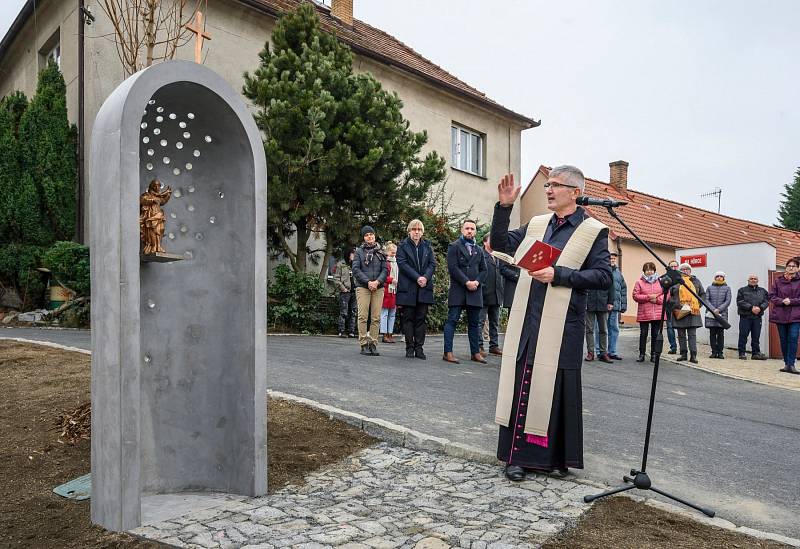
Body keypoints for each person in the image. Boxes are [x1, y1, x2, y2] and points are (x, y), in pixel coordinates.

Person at [491, 167, 611, 482]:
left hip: (564, 324)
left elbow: (602, 277)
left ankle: (554, 459)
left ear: (575, 192)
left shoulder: (592, 230)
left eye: (555, 185)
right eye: (547, 183)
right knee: (524, 383)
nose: (548, 189)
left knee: (555, 390)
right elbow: (502, 246)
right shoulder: (538, 224)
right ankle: (516, 459)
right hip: (530, 318)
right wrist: (504, 208)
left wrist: (559, 274)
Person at [443, 219, 487, 364]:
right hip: (458, 290)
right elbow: (453, 268)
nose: (469, 231)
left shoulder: (479, 250)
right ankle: (447, 352)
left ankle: (475, 353)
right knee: (452, 320)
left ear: (475, 231)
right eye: (467, 228)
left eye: (472, 229)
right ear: (462, 230)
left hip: (475, 291)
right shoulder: (453, 246)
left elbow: (484, 270)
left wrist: (477, 282)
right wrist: (466, 282)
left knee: (474, 324)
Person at [396, 219, 436, 360]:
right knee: (408, 319)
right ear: (409, 231)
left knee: (420, 319)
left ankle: (419, 348)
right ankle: (409, 347)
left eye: (419, 229)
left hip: (424, 288)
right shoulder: (402, 246)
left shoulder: (427, 246)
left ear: (422, 231)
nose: (417, 232)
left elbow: (432, 264)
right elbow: (402, 264)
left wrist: (425, 277)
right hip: (408, 288)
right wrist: (417, 277)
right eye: (414, 229)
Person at [352, 225, 387, 356]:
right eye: (366, 235)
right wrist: (368, 282)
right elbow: (356, 269)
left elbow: (385, 269)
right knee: (362, 316)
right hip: (363, 287)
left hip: (378, 287)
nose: (369, 236)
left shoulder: (381, 251)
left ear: (374, 235)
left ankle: (373, 343)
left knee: (376, 317)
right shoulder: (359, 252)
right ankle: (363, 344)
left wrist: (377, 282)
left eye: (371, 234)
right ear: (363, 237)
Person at [668, 263, 705, 364]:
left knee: (692, 334)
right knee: (681, 334)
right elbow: (669, 296)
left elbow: (702, 294)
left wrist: (697, 305)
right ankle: (683, 354)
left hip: (693, 311)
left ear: (690, 271)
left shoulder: (696, 281)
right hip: (679, 310)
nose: (685, 271)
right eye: (683, 269)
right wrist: (676, 305)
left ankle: (693, 355)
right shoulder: (675, 281)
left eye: (687, 269)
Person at [769, 256, 800, 374]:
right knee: (783, 339)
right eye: (789, 266)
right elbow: (772, 296)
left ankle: (791, 364)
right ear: (786, 267)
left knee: (793, 338)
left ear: (798, 268)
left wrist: (791, 301)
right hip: (780, 314)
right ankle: (786, 363)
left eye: (794, 266)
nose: (791, 268)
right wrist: (781, 301)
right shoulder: (778, 280)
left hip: (795, 315)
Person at [632, 262, 664, 362]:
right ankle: (641, 354)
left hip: (657, 312)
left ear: (654, 270)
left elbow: (666, 295)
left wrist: (657, 300)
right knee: (643, 333)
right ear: (644, 271)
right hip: (644, 312)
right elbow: (635, 296)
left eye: (651, 270)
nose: (649, 272)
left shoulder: (661, 281)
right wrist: (648, 297)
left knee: (655, 334)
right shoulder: (639, 282)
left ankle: (653, 355)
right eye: (647, 270)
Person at [479, 233, 504, 357]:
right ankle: (479, 346)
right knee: (480, 321)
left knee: (494, 322)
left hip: (496, 294)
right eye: (491, 240)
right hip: (483, 294)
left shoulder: (498, 256)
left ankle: (494, 346)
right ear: (484, 242)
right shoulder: (480, 255)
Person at [584, 264, 615, 364]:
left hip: (603, 303)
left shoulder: (606, 269)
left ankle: (603, 353)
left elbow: (611, 286)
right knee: (589, 329)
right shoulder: (588, 269)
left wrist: (610, 302)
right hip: (590, 303)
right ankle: (590, 353)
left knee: (603, 330)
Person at [736, 274, 769, 360]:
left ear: (757, 281)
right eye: (751, 278)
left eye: (755, 279)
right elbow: (740, 302)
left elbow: (766, 301)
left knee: (756, 335)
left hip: (757, 317)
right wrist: (751, 308)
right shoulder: (742, 290)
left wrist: (760, 308)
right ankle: (742, 353)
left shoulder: (763, 291)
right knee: (743, 335)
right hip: (745, 316)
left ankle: (755, 353)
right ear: (748, 280)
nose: (753, 280)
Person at [139, 179, 172, 254]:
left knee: (160, 230)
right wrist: (152, 200)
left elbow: (162, 201)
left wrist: (168, 195)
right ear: (152, 186)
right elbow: (142, 200)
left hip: (159, 215)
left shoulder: (158, 196)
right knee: (153, 231)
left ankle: (158, 246)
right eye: (156, 185)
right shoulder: (147, 194)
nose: (157, 187)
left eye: (159, 186)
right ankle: (153, 246)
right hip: (151, 215)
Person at [705, 271, 732, 359]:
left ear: (724, 278)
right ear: (715, 277)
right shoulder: (709, 288)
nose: (719, 277)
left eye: (721, 276)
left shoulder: (727, 288)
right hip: (711, 314)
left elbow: (728, 301)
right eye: (717, 276)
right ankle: (713, 352)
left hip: (722, 314)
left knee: (720, 334)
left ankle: (720, 353)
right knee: (712, 333)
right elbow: (706, 300)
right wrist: (713, 310)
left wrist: (719, 309)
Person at [606, 252, 627, 360]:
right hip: (604, 306)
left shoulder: (618, 273)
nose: (612, 260)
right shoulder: (603, 270)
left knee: (614, 329)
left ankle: (612, 352)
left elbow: (623, 289)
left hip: (615, 306)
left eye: (614, 258)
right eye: (610, 258)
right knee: (602, 329)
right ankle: (601, 351)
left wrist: (623, 305)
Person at [333, 248, 357, 338]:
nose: (354, 255)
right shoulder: (341, 264)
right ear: (348, 254)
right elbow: (336, 278)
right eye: (353, 253)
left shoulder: (355, 265)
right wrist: (343, 288)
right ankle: (341, 331)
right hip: (345, 292)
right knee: (343, 312)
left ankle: (351, 331)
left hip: (354, 292)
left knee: (353, 312)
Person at [380, 242, 399, 344]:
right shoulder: (385, 263)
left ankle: (390, 333)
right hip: (386, 291)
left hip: (394, 291)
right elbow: (382, 276)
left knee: (392, 314)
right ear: (387, 252)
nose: (394, 254)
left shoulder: (396, 263)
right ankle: (384, 334)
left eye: (395, 253)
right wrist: (391, 280)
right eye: (392, 252)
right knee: (384, 314)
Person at [665, 259, 680, 354]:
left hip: (679, 306)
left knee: (681, 328)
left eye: (675, 266)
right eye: (672, 266)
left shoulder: (681, 277)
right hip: (669, 306)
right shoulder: (665, 278)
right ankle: (673, 347)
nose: (674, 268)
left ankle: (683, 348)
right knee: (670, 327)